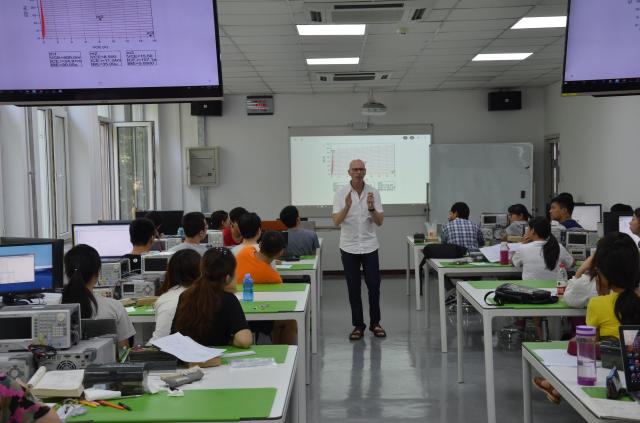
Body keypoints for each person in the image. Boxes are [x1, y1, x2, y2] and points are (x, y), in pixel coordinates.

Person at [534, 232, 640, 404]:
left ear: (601, 273)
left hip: (615, 380)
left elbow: (584, 347)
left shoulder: (599, 304)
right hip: (633, 376)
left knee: (582, 356)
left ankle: (554, 385)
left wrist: (584, 270)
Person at [332, 159, 386, 341]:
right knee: (353, 288)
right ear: (349, 172)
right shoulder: (340, 193)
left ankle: (375, 323)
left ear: (365, 171)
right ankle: (358, 325)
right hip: (349, 247)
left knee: (374, 286)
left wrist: (371, 208)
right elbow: (336, 221)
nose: (358, 172)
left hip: (370, 246)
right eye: (354, 169)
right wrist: (347, 206)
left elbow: (379, 221)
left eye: (361, 169)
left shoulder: (374, 192)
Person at [171, 248, 252, 348]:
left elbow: (174, 334)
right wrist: (231, 340)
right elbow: (244, 341)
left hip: (187, 357)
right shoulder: (228, 299)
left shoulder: (185, 295)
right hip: (216, 359)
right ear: (227, 278)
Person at [62, 245, 135, 348]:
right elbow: (124, 351)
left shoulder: (55, 307)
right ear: (97, 273)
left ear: (67, 273)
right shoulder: (114, 307)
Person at [149, 249, 201, 342]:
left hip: (170, 350)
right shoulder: (209, 295)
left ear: (170, 271)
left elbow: (160, 338)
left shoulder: (165, 299)